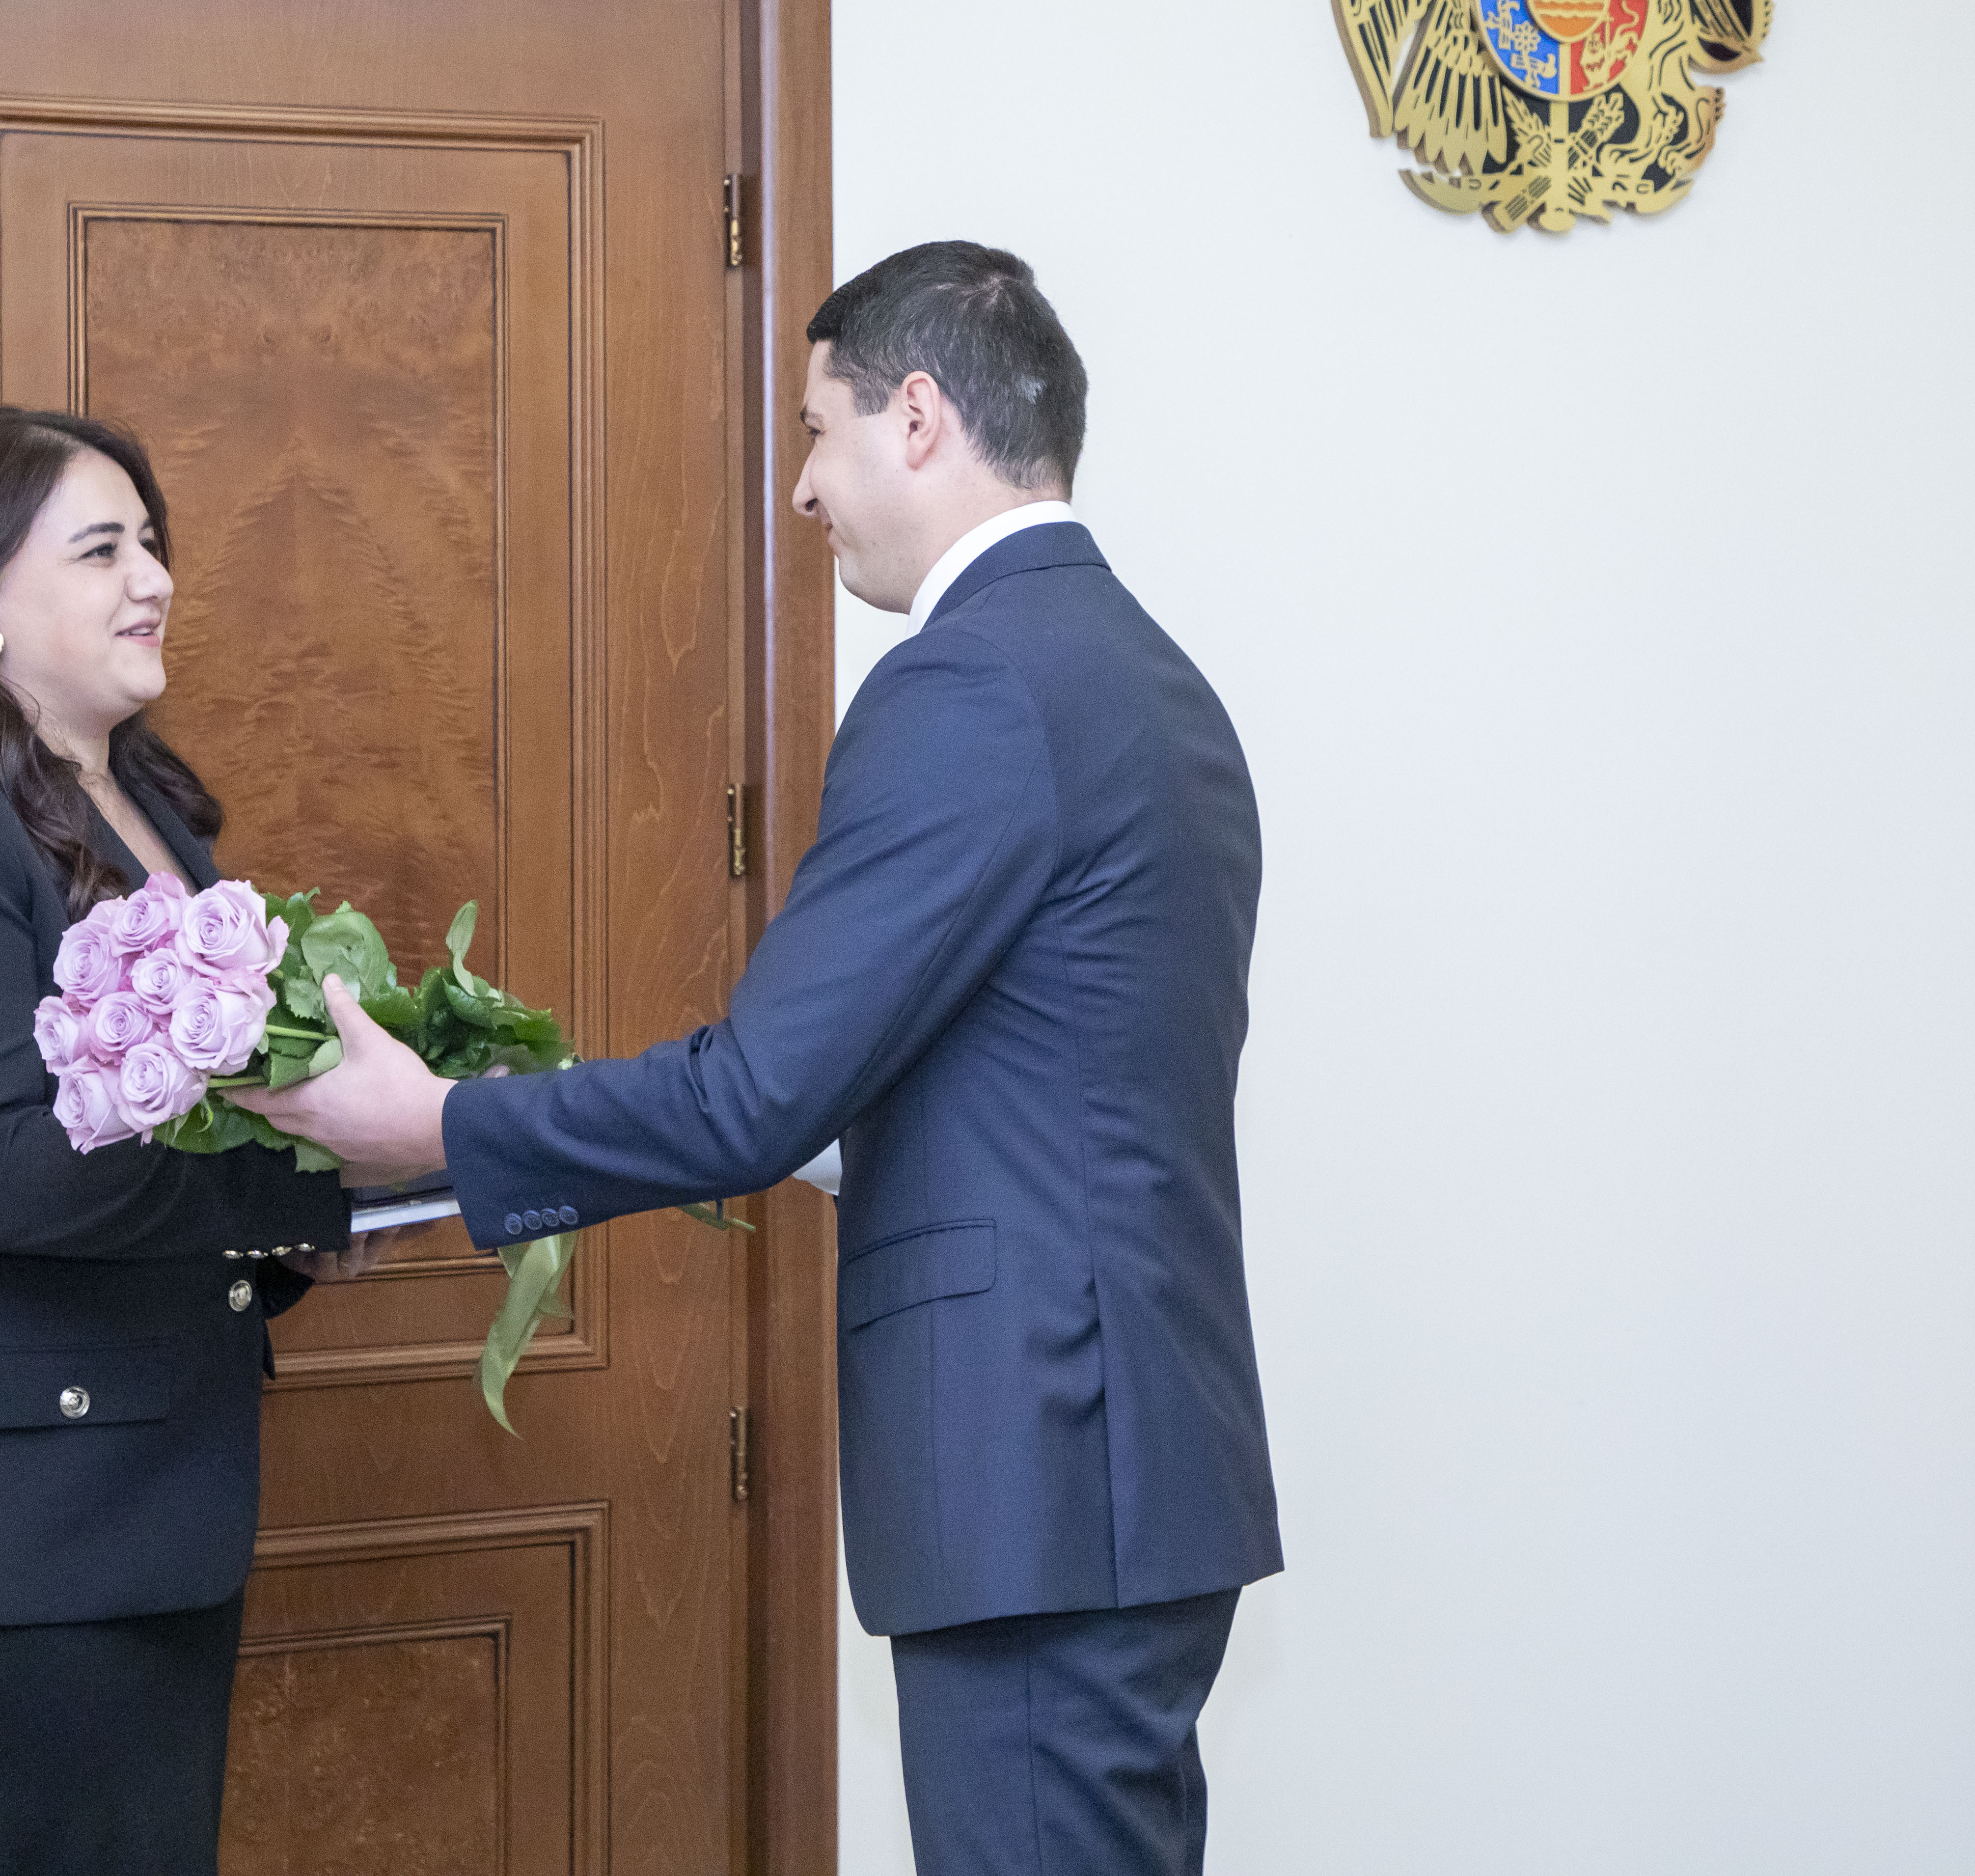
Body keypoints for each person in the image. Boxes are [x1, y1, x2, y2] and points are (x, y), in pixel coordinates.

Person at [242, 242, 1282, 1876]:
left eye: (816, 430)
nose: (802, 488)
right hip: (1131, 1456)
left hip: (1035, 1464)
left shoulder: (970, 682)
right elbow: (1036, 1071)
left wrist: (441, 1124)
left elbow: (754, 1095)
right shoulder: (1149, 678)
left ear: (917, 417)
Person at [0, 407, 404, 1876]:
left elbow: (177, 1127)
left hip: (141, 1509)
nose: (154, 579)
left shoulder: (149, 805)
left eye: (152, 544)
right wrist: (309, 1176)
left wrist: (311, 1225)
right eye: (103, 550)